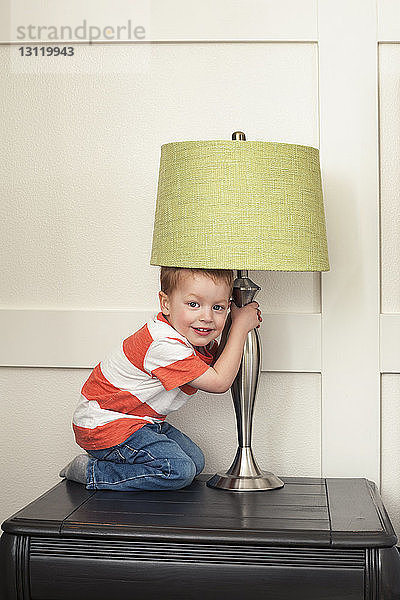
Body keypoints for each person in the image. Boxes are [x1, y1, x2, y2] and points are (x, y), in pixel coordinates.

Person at [59, 267, 262, 491]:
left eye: (218, 307)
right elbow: (219, 382)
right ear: (165, 304)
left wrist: (233, 324)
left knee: (195, 462)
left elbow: (220, 364)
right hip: (106, 424)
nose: (206, 317)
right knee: (178, 470)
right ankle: (91, 472)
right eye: (193, 304)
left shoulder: (188, 338)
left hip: (141, 422)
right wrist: (240, 327)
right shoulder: (163, 344)